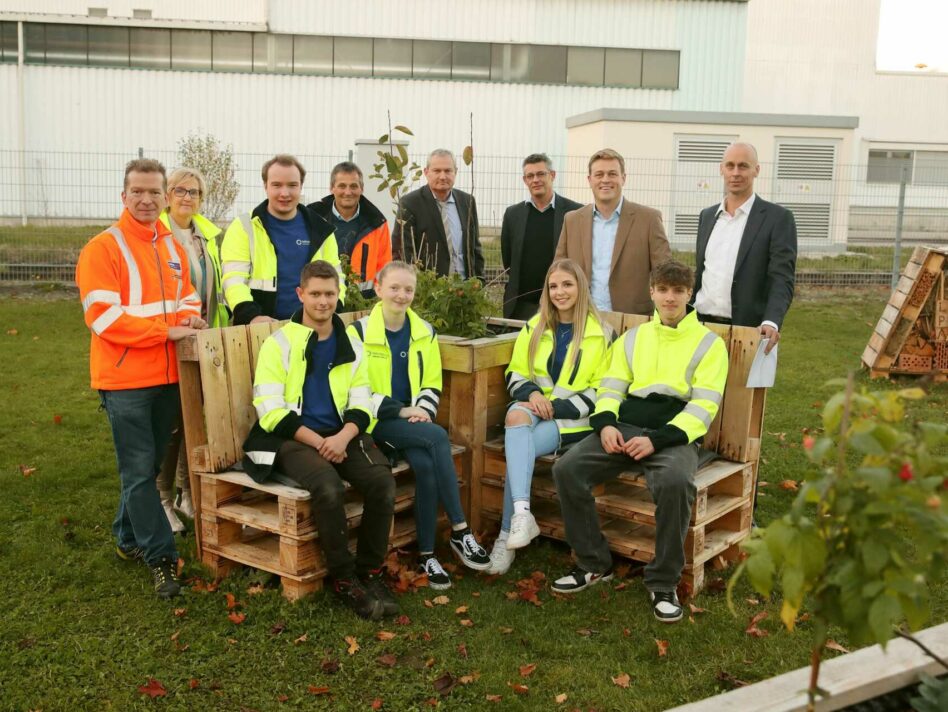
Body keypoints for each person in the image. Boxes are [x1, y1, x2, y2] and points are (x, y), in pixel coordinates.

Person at [550, 260, 728, 624]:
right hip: (625, 428)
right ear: (652, 292)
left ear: (689, 293)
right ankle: (593, 563)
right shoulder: (634, 337)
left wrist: (658, 441)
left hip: (674, 435)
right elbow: (610, 386)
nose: (670, 298)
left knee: (676, 482)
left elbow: (703, 406)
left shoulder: (710, 344)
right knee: (567, 468)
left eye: (678, 291)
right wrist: (604, 425)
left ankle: (663, 582)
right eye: (662, 290)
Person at [76, 158, 206, 600]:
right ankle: (162, 560)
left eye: (155, 192)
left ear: (164, 195)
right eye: (139, 192)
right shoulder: (102, 248)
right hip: (126, 379)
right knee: (139, 472)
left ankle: (126, 537)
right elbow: (103, 317)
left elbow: (187, 293)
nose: (147, 200)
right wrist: (167, 331)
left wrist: (191, 317)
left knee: (146, 468)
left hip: (167, 375)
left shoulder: (171, 244)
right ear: (124, 195)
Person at [241, 260, 397, 621]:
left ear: (338, 295)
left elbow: (362, 399)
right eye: (315, 294)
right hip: (291, 436)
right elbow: (270, 409)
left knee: (381, 481)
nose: (323, 302)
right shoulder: (278, 344)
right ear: (301, 294)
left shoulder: (349, 343)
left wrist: (343, 436)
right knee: (327, 486)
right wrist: (318, 442)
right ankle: (343, 578)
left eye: (329, 294)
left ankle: (370, 572)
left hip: (341, 434)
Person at [347, 261, 490, 589]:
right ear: (379, 288)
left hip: (411, 422)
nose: (401, 295)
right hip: (371, 424)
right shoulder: (357, 333)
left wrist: (420, 412)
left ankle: (427, 553)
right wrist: (402, 412)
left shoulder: (424, 332)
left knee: (426, 464)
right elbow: (354, 392)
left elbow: (431, 383)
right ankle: (460, 530)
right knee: (437, 436)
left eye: (408, 289)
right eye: (394, 288)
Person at [486, 259, 614, 575]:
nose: (560, 292)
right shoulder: (535, 326)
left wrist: (554, 408)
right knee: (517, 423)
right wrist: (532, 395)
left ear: (580, 287)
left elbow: (604, 390)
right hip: (533, 409)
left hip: (572, 421)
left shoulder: (602, 334)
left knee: (520, 444)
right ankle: (521, 517)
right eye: (553, 286)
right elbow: (515, 371)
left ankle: (507, 534)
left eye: (567, 284)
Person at [156, 166, 228, 533]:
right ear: (167, 195)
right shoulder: (157, 236)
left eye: (194, 192)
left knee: (193, 420)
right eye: (180, 190)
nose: (187, 197)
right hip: (169, 338)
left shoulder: (208, 236)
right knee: (171, 423)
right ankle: (163, 499)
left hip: (203, 337)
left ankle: (186, 493)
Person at [693, 142, 797, 354]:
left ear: (756, 170)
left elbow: (782, 278)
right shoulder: (707, 216)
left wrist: (772, 321)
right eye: (730, 166)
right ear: (721, 169)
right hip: (700, 326)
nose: (735, 173)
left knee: (738, 389)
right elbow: (702, 271)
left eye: (743, 166)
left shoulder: (778, 219)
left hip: (748, 330)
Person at [221, 154, 344, 326]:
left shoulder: (320, 229)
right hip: (260, 329)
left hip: (311, 329)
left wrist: (334, 310)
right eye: (277, 185)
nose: (284, 193)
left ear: (301, 186)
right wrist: (251, 316)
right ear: (265, 186)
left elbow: (336, 278)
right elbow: (233, 279)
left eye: (292, 185)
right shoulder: (243, 227)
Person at [554, 148, 671, 314]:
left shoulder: (649, 219)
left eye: (612, 174)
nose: (605, 180)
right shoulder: (572, 220)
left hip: (632, 320)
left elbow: (664, 272)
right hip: (581, 317)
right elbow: (558, 271)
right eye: (599, 174)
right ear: (589, 179)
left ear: (623, 178)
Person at [500, 153, 582, 320]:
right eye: (530, 176)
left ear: (552, 175)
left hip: (561, 303)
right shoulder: (513, 214)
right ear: (525, 180)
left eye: (540, 174)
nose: (535, 180)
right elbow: (508, 259)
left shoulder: (575, 212)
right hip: (521, 306)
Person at [392, 149, 484, 280]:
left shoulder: (467, 201)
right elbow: (403, 251)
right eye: (437, 171)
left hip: (465, 288)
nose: (442, 176)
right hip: (428, 290)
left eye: (448, 171)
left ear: (455, 172)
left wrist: (479, 280)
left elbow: (475, 247)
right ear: (426, 172)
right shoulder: (410, 203)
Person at [308, 161, 392, 301]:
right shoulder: (312, 217)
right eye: (342, 186)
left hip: (362, 302)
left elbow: (384, 268)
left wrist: (376, 300)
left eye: (353, 186)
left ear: (362, 189)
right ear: (332, 188)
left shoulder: (377, 223)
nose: (348, 192)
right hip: (320, 299)